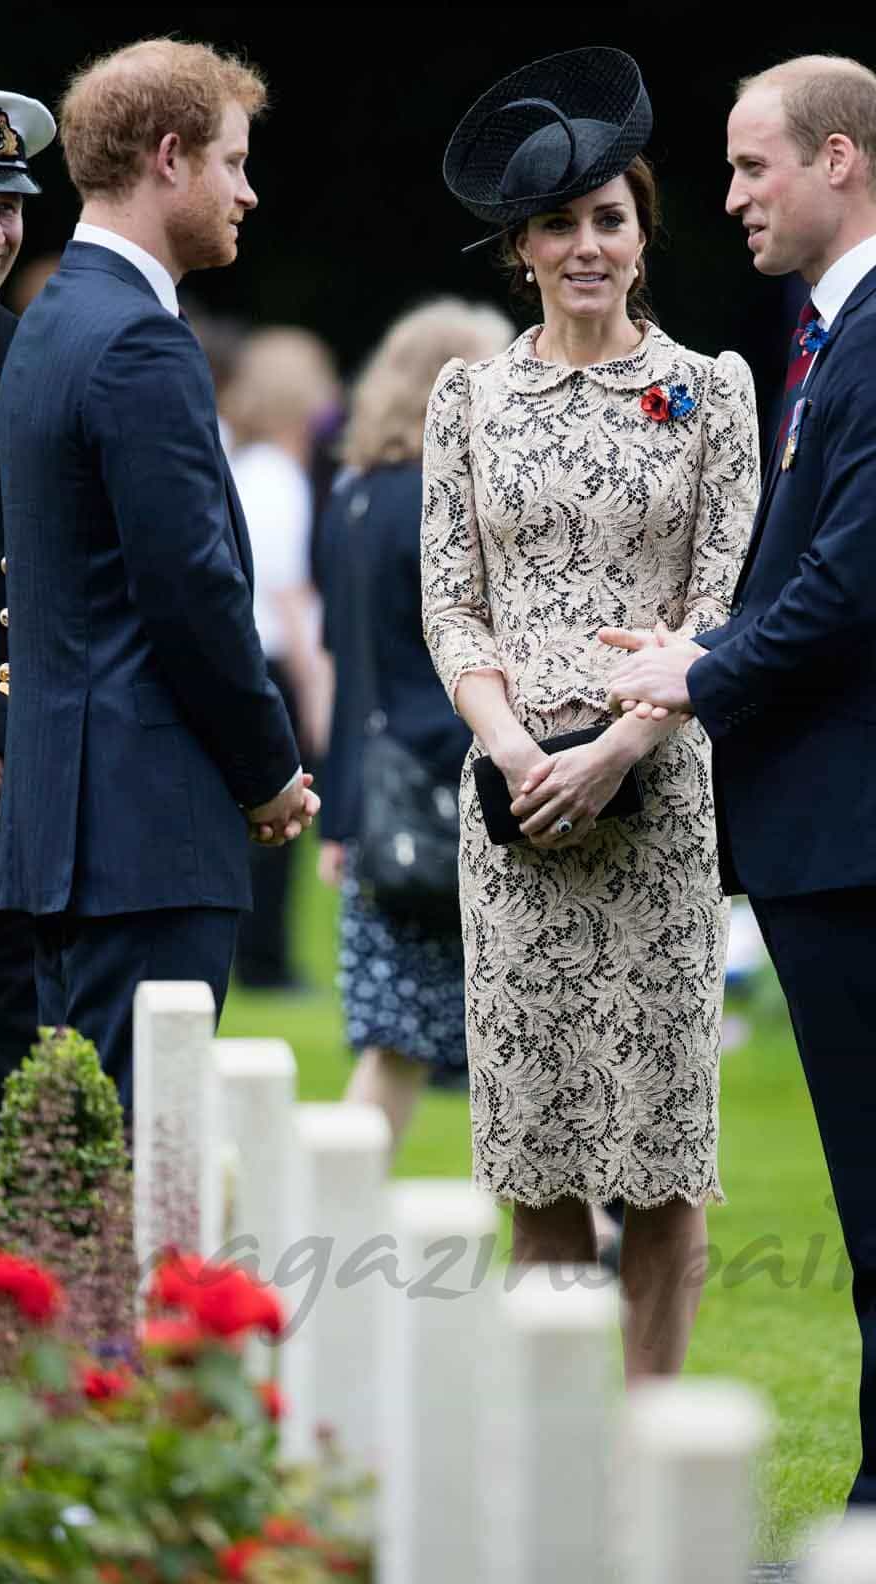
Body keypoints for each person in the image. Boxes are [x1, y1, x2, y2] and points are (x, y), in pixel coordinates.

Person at [606, 56, 876, 1545]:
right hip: (835, 817)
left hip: (864, 821)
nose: (729, 196)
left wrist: (691, 678)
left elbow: (845, 597)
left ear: (838, 159)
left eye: (749, 165)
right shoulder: (852, 332)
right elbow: (814, 585)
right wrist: (699, 643)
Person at [424, 48, 758, 1381]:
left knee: (662, 1156)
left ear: (640, 231)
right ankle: (557, 1455)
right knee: (541, 1144)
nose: (584, 244)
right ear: (519, 244)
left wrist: (620, 744)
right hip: (514, 817)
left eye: (606, 217)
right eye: (556, 222)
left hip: (658, 794)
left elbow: (724, 607)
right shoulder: (470, 398)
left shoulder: (710, 388)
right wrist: (515, 755)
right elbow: (453, 608)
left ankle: (649, 1438)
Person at [0, 40, 318, 1117]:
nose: (249, 191)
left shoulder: (47, 324)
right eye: (233, 162)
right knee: (128, 1173)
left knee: (70, 1170)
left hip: (63, 834)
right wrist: (270, 771)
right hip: (144, 836)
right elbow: (191, 594)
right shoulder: (136, 338)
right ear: (169, 159)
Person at [318, 297, 513, 1151]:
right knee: (530, 1029)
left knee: (393, 1038)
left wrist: (343, 812)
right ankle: (594, 1232)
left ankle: (335, 1216)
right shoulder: (443, 500)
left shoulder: (351, 499)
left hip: (378, 799)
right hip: (448, 790)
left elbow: (343, 665)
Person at [0, 91, 56, 1126]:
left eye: (4, 206)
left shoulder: (41, 359)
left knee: (22, 1060)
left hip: (6, 771)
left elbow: (55, 568)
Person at [223, 326, 340, 991]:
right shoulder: (278, 479)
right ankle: (266, 962)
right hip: (273, 662)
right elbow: (292, 599)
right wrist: (319, 695)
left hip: (253, 656)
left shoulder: (245, 468)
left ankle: (258, 955)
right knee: (280, 812)